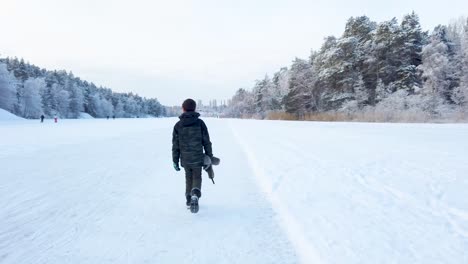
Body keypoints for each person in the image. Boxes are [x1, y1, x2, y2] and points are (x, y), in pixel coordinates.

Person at [172, 98, 214, 213]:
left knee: (188, 177)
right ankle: (195, 194)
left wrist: (175, 161)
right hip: (197, 157)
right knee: (197, 176)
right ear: (194, 108)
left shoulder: (178, 125)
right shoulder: (200, 123)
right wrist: (209, 156)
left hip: (185, 158)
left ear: (183, 108)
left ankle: (188, 199)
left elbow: (175, 145)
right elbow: (206, 141)